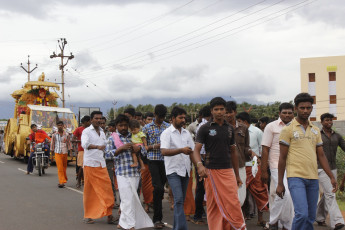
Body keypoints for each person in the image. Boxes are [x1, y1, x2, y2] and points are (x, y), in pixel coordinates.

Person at [277, 93, 337, 230]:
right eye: (302, 108)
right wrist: (280, 183)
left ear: (311, 108)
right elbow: (282, 158)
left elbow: (321, 155)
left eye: (308, 108)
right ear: (296, 108)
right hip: (295, 177)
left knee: (310, 216)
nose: (305, 111)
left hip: (313, 178)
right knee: (302, 214)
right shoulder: (288, 130)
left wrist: (331, 177)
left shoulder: (315, 130)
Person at [191, 97, 246, 230]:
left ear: (225, 110)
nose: (219, 112)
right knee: (214, 204)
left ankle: (237, 226)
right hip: (211, 172)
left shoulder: (229, 129)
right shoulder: (204, 128)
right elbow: (196, 150)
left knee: (233, 202)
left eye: (222, 109)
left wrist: (237, 175)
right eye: (216, 109)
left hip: (228, 171)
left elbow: (233, 153)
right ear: (212, 111)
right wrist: (200, 165)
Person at [107, 114, 153, 230]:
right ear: (116, 126)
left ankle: (122, 222)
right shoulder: (112, 138)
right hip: (122, 172)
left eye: (125, 125)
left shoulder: (134, 136)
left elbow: (144, 151)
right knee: (127, 198)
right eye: (120, 125)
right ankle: (130, 225)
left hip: (135, 172)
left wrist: (139, 148)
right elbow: (106, 154)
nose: (123, 127)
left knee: (131, 198)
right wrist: (120, 149)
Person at [260, 103, 294, 230]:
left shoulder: (296, 127)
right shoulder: (271, 126)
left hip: (293, 166)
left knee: (289, 196)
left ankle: (285, 224)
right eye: (284, 112)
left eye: (289, 113)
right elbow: (265, 149)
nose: (287, 115)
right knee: (286, 194)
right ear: (279, 113)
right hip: (275, 164)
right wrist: (264, 170)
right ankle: (274, 221)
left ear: (293, 113)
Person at [160, 106, 194, 230]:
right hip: (173, 170)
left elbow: (192, 151)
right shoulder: (166, 133)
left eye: (184, 118)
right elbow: (163, 151)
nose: (183, 120)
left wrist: (199, 166)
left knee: (181, 201)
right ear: (173, 118)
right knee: (179, 199)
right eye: (180, 118)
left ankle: (177, 227)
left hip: (185, 170)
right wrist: (180, 150)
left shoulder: (186, 133)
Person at [81, 111, 117, 225]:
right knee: (90, 192)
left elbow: (106, 145)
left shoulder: (102, 131)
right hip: (90, 165)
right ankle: (89, 215)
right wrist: (97, 146)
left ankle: (109, 214)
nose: (98, 120)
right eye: (96, 118)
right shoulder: (86, 131)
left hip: (101, 165)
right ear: (91, 120)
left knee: (107, 190)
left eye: (100, 118)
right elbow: (84, 144)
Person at [237, 112, 269, 228]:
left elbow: (263, 148)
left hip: (254, 165)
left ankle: (260, 219)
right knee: (241, 192)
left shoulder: (257, 132)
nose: (238, 123)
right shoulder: (237, 131)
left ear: (244, 121)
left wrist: (263, 164)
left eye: (239, 121)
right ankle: (243, 217)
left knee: (259, 191)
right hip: (241, 166)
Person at [142, 104, 170, 229]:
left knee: (159, 189)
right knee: (158, 187)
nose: (161, 119)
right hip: (153, 160)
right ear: (155, 115)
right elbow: (144, 147)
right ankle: (157, 218)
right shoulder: (147, 128)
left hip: (166, 161)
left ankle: (155, 203)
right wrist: (154, 146)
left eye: (163, 117)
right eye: (159, 117)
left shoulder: (168, 127)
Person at [316, 113, 345, 229]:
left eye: (331, 120)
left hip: (333, 168)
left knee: (327, 195)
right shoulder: (317, 135)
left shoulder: (337, 136)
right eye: (327, 120)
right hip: (320, 168)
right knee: (331, 193)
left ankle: (319, 217)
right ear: (322, 122)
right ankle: (337, 221)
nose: (329, 122)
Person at [225, 101, 250, 208]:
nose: (227, 115)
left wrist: (251, 154)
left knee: (241, 194)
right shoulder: (220, 128)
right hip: (225, 166)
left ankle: (237, 219)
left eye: (229, 112)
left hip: (240, 166)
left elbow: (246, 146)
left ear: (235, 112)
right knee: (227, 194)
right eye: (225, 112)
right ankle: (232, 221)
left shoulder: (243, 128)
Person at [192, 105, 211, 225]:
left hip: (203, 161)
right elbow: (201, 148)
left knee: (202, 189)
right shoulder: (204, 127)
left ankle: (201, 213)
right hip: (204, 161)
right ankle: (197, 215)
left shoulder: (202, 126)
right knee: (201, 189)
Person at [141, 111, 155, 213]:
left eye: (152, 119)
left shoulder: (157, 130)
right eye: (149, 119)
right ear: (144, 120)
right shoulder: (141, 132)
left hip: (156, 161)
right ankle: (147, 203)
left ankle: (154, 201)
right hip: (145, 161)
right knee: (145, 184)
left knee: (156, 184)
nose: (150, 121)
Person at [51, 121, 72, 188]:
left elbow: (69, 144)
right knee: (60, 168)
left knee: (64, 167)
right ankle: (61, 182)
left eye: (61, 125)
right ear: (57, 126)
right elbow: (52, 144)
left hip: (64, 152)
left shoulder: (67, 134)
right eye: (58, 125)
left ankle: (64, 178)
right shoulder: (54, 135)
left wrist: (71, 153)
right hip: (57, 152)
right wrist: (51, 154)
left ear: (63, 126)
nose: (60, 126)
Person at [73, 116, 91, 188]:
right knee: (81, 167)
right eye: (89, 121)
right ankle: (78, 181)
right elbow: (73, 139)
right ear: (85, 122)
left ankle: (86, 181)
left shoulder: (91, 130)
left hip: (90, 150)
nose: (90, 123)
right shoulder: (79, 129)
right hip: (82, 150)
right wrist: (80, 142)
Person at [104, 121, 118, 208]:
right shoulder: (110, 137)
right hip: (104, 161)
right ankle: (109, 201)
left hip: (111, 161)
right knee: (107, 182)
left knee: (111, 181)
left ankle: (114, 201)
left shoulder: (115, 136)